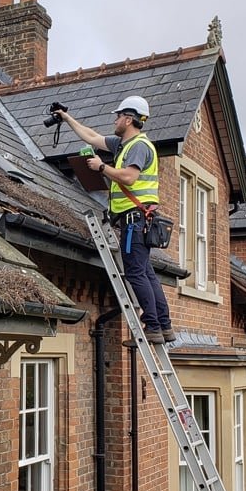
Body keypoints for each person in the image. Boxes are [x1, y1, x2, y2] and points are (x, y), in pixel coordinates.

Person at [56, 96, 174, 344]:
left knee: (135, 273)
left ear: (128, 119)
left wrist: (101, 167)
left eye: (118, 115)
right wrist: (66, 118)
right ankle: (163, 326)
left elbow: (129, 177)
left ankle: (152, 326)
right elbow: (90, 137)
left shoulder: (138, 146)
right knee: (147, 274)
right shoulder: (122, 145)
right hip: (139, 219)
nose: (115, 119)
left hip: (135, 220)